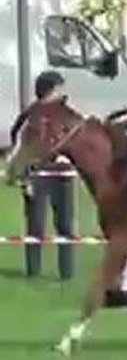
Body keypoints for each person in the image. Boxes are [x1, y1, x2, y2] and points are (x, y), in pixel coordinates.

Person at [9, 71, 75, 280]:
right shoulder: (32, 115)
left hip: (63, 176)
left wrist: (71, 160)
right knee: (35, 226)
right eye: (60, 88)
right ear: (50, 90)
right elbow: (21, 145)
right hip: (37, 176)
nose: (63, 92)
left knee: (65, 225)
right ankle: (33, 272)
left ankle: (67, 273)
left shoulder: (68, 113)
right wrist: (24, 178)